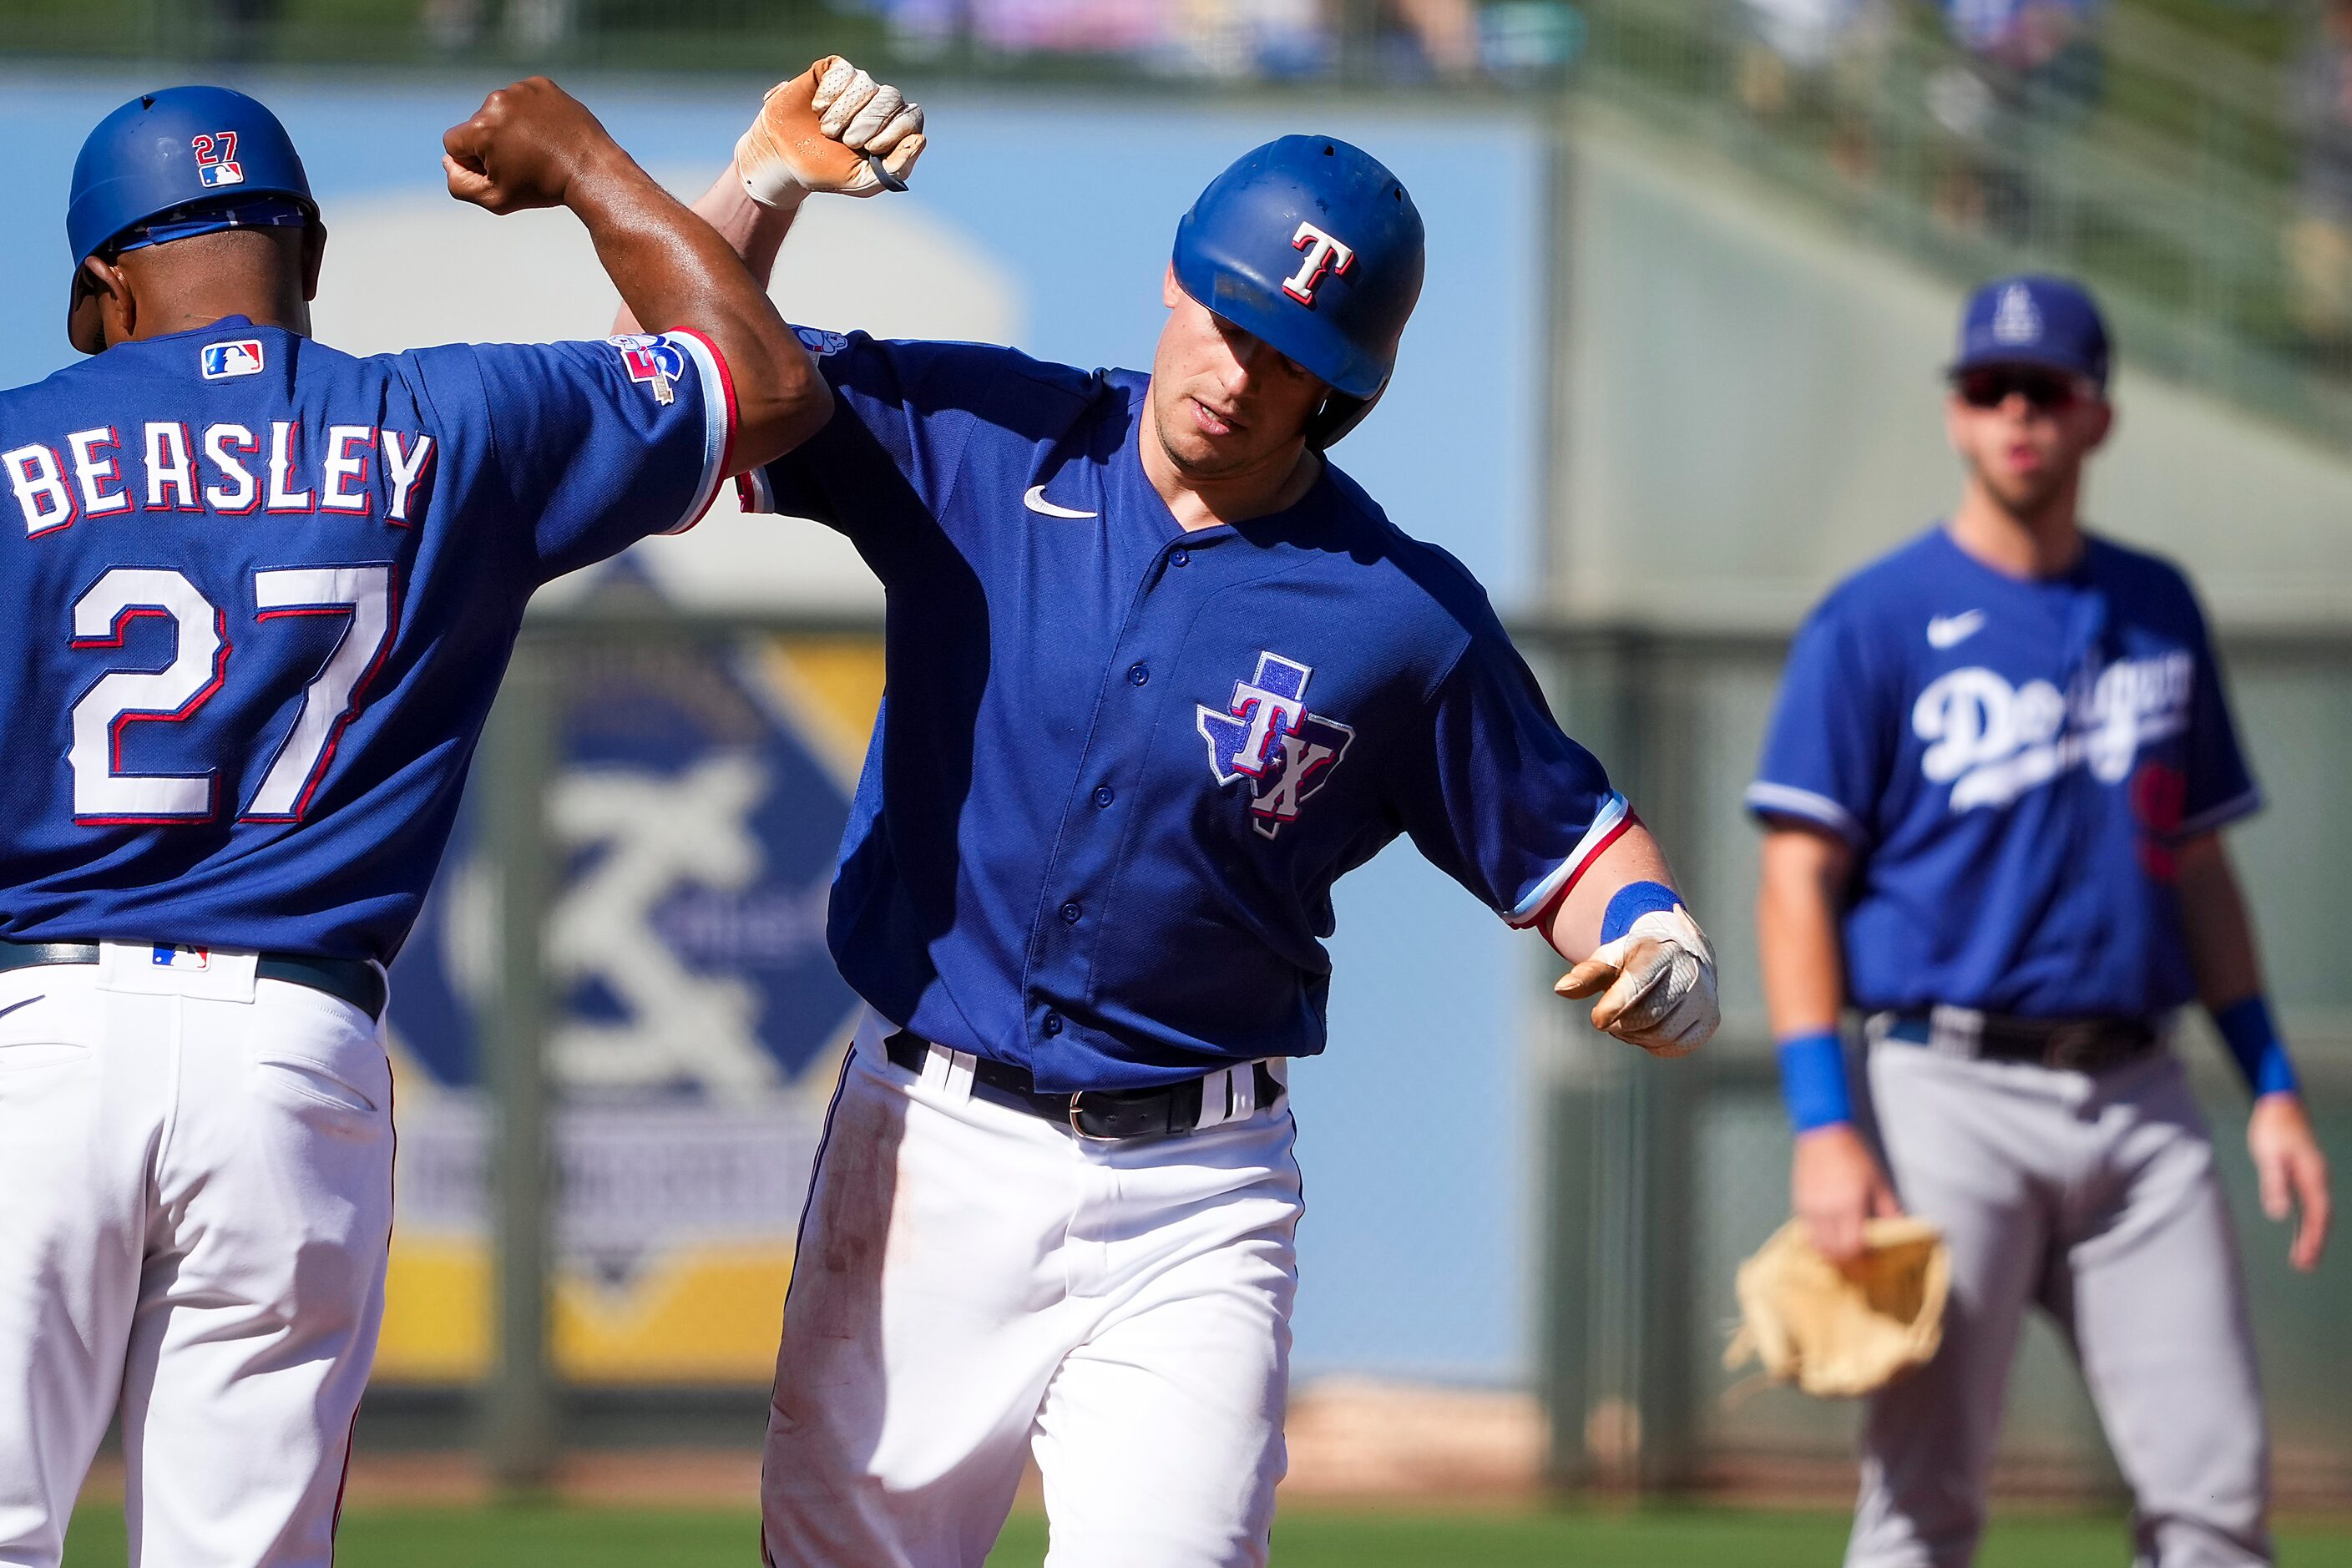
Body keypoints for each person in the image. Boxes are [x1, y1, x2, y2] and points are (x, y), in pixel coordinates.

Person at [623, 72, 1722, 1567]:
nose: (1237, 369)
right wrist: (763, 179)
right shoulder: (988, 440)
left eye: (1288, 353)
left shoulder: (1400, 616)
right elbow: (682, 385)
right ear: (1175, 277)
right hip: (928, 1148)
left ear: (1346, 384)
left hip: (1195, 1191)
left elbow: (1580, 848)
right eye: (1224, 312)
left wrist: (1655, 938)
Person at [0, 66, 913, 1565]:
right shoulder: (439, 427)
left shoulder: (19, 449)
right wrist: (616, 164)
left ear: (105, 284)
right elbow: (753, 385)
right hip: (287, 1059)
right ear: (305, 256)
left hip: (35, 1042)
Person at [1749, 274, 2334, 1568]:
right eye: (1986, 388)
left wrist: (2273, 1085)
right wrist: (1822, 1123)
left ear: (2096, 419)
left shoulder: (2156, 608)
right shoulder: (1875, 618)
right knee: (1924, 1504)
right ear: (1955, 413)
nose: (2016, 413)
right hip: (1942, 1091)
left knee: (2217, 1501)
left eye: (2045, 390)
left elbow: (2197, 869)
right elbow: (1796, 879)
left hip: (2139, 1092)